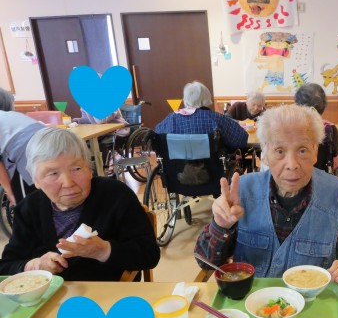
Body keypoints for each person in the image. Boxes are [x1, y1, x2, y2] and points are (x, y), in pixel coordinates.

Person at [194, 104, 338, 286]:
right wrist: (221, 226)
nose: (292, 164)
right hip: (251, 302)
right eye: (280, 151)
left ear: (315, 151)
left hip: (315, 304)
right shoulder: (241, 193)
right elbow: (205, 262)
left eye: (302, 150)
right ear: (265, 153)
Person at [0, 127, 160, 281]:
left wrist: (103, 250)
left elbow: (149, 255)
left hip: (108, 292)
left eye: (76, 169)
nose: (68, 183)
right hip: (50, 296)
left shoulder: (116, 196)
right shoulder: (29, 208)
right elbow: (6, 266)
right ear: (36, 180)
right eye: (53, 173)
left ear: (90, 170)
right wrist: (36, 265)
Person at [155, 81, 248, 151]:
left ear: (185, 99)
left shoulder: (171, 119)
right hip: (212, 169)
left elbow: (156, 139)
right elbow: (242, 139)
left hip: (177, 169)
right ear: (207, 98)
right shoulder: (216, 118)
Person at [0, 87, 45, 205]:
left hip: (29, 151)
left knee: (28, 205)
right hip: (50, 141)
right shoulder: (10, 115)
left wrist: (10, 192)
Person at [293, 83, 338, 173]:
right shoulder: (330, 128)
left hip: (295, 172)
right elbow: (336, 154)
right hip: (322, 174)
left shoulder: (290, 127)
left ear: (297, 105)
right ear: (323, 105)